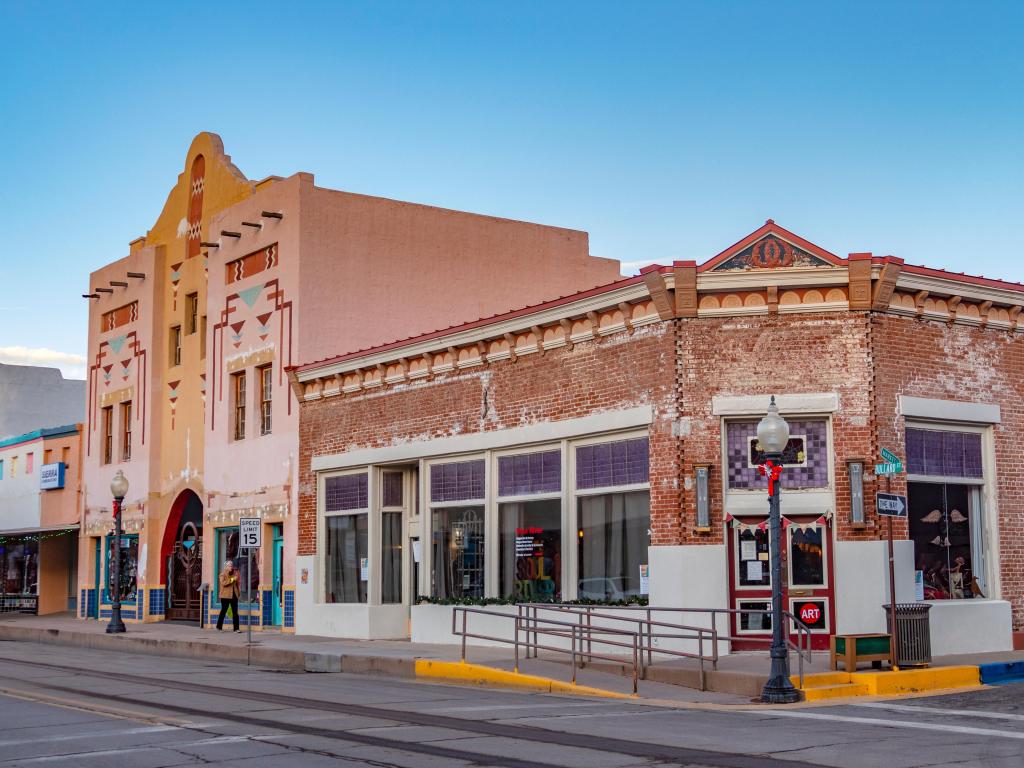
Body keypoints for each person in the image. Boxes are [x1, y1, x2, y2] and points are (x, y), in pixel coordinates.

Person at [217, 559, 241, 632]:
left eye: (231, 565)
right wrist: (232, 579)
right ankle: (219, 626)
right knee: (223, 611)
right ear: (226, 567)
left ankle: (236, 628)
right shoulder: (222, 574)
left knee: (235, 612)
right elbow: (223, 583)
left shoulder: (234, 574)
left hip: (234, 596)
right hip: (225, 596)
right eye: (229, 566)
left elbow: (236, 585)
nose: (231, 567)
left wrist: (238, 593)